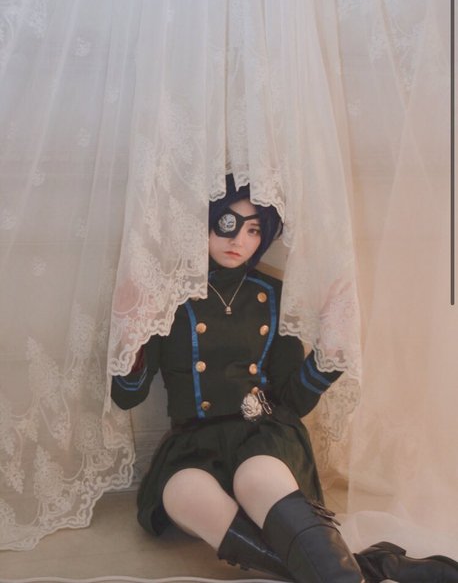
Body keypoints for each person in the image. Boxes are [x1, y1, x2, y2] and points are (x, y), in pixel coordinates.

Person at [111, 175, 458, 583]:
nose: (238, 239)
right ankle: (371, 566)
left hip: (263, 435)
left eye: (254, 229)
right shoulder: (165, 298)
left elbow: (292, 399)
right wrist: (130, 340)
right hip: (193, 442)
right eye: (227, 223)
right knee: (183, 493)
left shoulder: (275, 295)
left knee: (256, 478)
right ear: (203, 222)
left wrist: (331, 354)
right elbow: (127, 397)